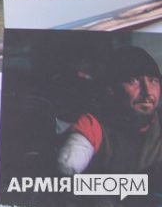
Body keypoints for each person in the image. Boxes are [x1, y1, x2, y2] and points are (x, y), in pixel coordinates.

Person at [57, 45, 162, 184]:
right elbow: (67, 167)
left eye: (153, 80)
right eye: (134, 80)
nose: (148, 91)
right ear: (111, 89)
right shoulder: (94, 125)